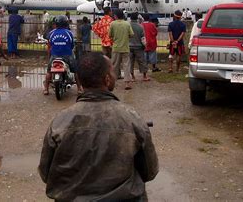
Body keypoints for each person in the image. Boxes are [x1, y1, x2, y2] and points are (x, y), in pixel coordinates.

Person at [39, 52, 159, 201]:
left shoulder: (60, 121)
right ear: (107, 79)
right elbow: (150, 172)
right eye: (112, 71)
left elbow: (46, 173)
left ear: (81, 81)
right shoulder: (132, 118)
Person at [43, 15, 83, 95]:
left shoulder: (51, 33)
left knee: (49, 71)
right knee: (76, 71)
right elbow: (72, 45)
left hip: (54, 56)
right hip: (67, 56)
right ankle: (79, 88)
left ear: (56, 24)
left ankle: (46, 89)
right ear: (66, 23)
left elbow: (49, 45)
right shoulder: (69, 33)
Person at [109, 9, 134, 89]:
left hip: (116, 48)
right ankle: (127, 83)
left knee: (114, 65)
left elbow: (110, 35)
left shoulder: (112, 24)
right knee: (126, 65)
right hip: (125, 48)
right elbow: (131, 34)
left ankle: (113, 82)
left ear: (115, 16)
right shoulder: (127, 24)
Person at [129, 12, 149, 82]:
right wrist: (144, 45)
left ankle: (132, 76)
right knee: (142, 61)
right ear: (137, 18)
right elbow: (143, 38)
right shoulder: (140, 26)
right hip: (138, 47)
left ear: (130, 18)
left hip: (129, 47)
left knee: (130, 62)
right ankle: (144, 76)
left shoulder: (127, 25)